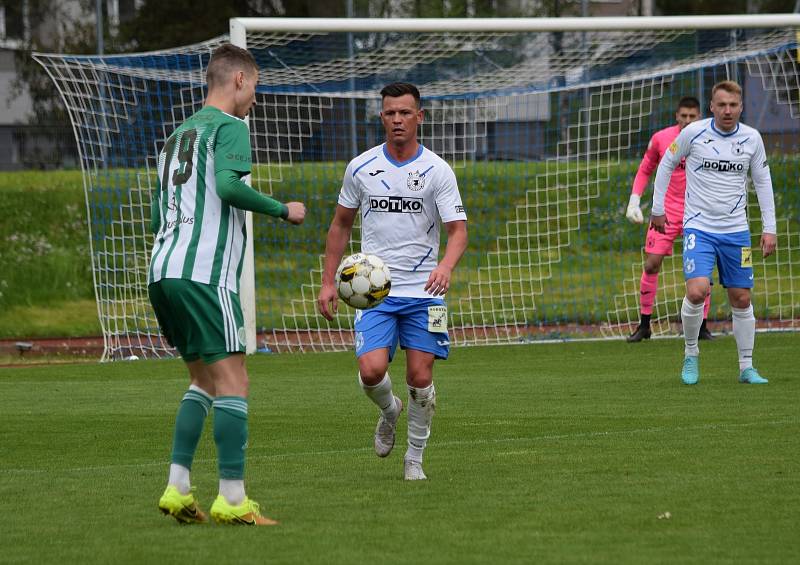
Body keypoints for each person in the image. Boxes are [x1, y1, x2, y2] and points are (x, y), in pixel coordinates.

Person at [149, 44, 306, 525]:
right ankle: (234, 500)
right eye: (255, 86)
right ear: (238, 80)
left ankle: (178, 489)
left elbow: (158, 212)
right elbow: (228, 187)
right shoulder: (231, 127)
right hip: (204, 273)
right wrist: (284, 209)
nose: (254, 98)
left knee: (201, 380)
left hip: (163, 269)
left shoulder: (176, 136)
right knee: (235, 379)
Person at [317, 82, 468, 480]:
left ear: (420, 117)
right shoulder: (361, 167)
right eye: (390, 113)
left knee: (420, 378)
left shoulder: (437, 170)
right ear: (381, 116)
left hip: (424, 293)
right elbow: (340, 225)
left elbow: (458, 230)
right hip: (374, 292)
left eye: (405, 112)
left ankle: (414, 458)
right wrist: (329, 282)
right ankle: (389, 411)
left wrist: (446, 267)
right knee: (370, 371)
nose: (397, 119)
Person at [650, 80, 776, 385]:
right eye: (722, 105)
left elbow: (762, 181)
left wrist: (769, 228)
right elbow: (666, 163)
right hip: (699, 227)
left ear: (741, 107)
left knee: (741, 298)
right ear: (712, 107)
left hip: (736, 232)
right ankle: (691, 354)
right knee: (697, 291)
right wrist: (657, 208)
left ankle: (746, 367)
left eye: (733, 105)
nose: (728, 110)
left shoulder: (752, 138)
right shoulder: (694, 133)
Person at [625, 96, 714, 342]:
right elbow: (645, 168)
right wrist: (634, 200)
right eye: (683, 116)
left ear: (699, 117)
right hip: (666, 212)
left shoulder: (710, 139)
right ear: (677, 116)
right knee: (651, 264)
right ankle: (644, 325)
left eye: (692, 116)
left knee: (702, 270)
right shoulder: (661, 139)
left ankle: (702, 327)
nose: (687, 120)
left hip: (698, 213)